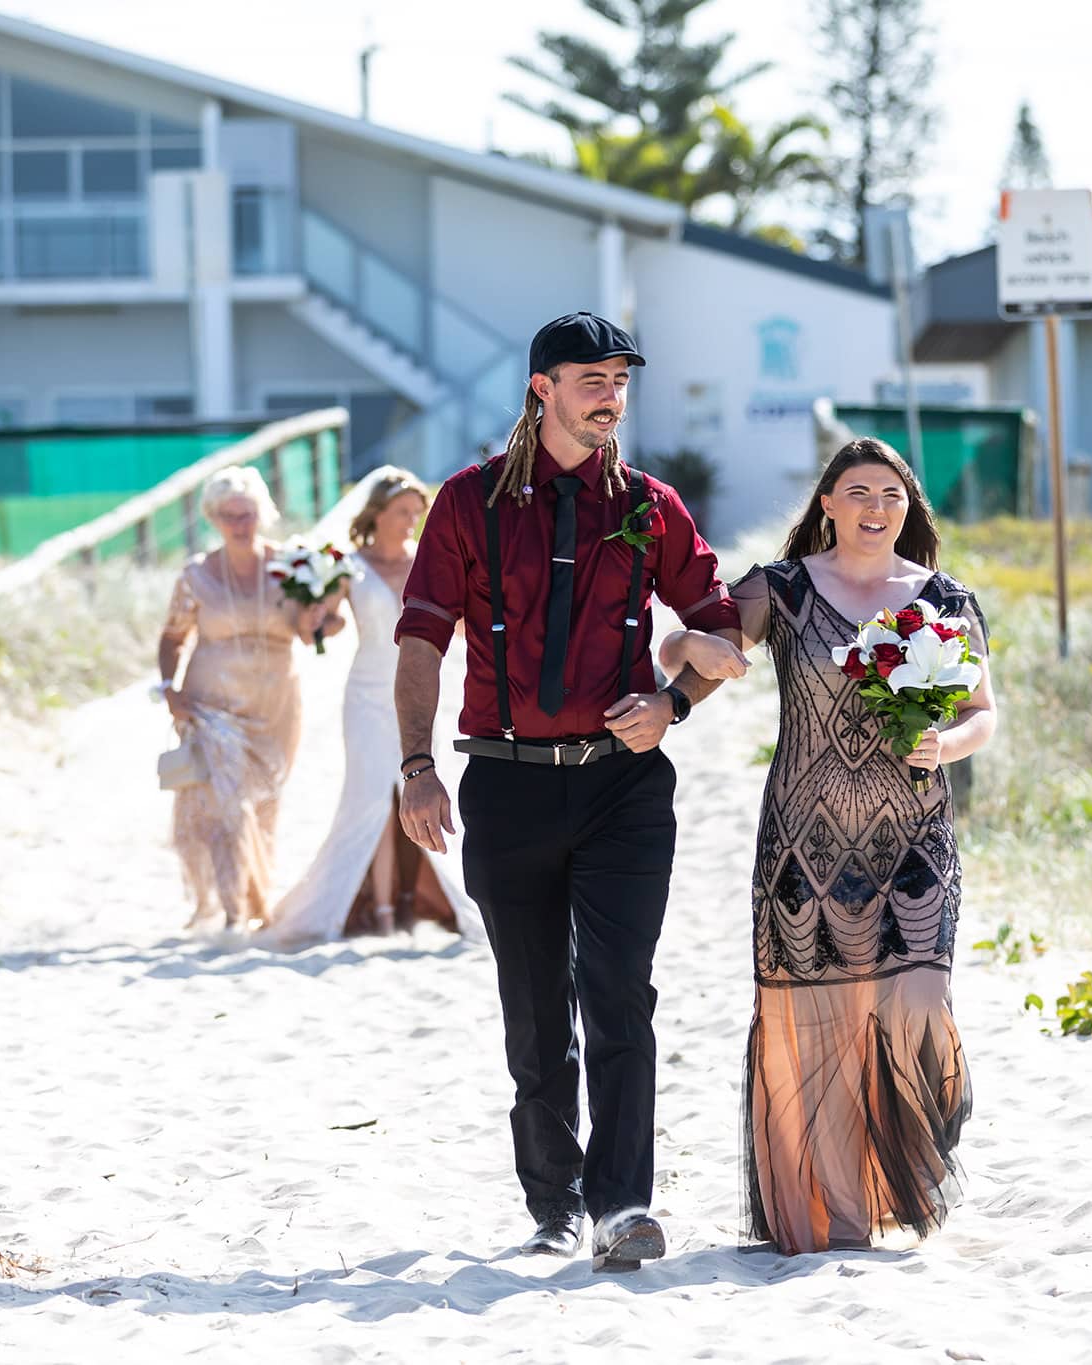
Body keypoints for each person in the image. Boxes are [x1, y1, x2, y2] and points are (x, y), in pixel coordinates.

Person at [394, 312, 743, 1270]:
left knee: (619, 989)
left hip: (623, 785)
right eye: (592, 378)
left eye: (621, 379)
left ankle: (622, 1205)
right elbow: (421, 638)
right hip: (505, 785)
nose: (611, 395)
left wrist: (672, 700)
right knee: (537, 1006)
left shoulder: (653, 505)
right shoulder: (466, 503)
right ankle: (554, 1199)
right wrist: (417, 766)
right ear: (540, 388)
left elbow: (719, 626)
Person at [662, 436, 998, 1255]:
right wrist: (682, 664)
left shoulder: (943, 599)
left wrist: (947, 747)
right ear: (827, 504)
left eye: (891, 493)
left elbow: (984, 709)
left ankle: (909, 1164)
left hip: (914, 836)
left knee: (917, 1007)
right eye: (857, 492)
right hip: (804, 843)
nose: (875, 507)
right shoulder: (782, 590)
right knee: (824, 1027)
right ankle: (843, 1213)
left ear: (908, 507)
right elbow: (693, 646)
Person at [265, 467, 485, 944]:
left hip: (425, 696)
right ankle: (382, 909)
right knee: (370, 800)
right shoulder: (348, 566)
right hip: (366, 696)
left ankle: (421, 902)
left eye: (415, 512)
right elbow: (327, 627)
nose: (410, 521)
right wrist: (314, 613)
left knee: (425, 792)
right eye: (401, 511)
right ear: (377, 513)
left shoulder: (428, 563)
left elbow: (463, 623)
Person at [156, 466, 315, 932]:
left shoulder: (293, 567)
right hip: (213, 707)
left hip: (277, 707)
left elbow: (310, 632)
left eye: (246, 514)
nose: (239, 524)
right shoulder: (195, 575)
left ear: (261, 513)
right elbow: (172, 637)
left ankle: (256, 899)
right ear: (214, 518)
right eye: (229, 516)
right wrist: (170, 688)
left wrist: (326, 614)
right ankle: (230, 911)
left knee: (265, 805)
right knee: (227, 805)